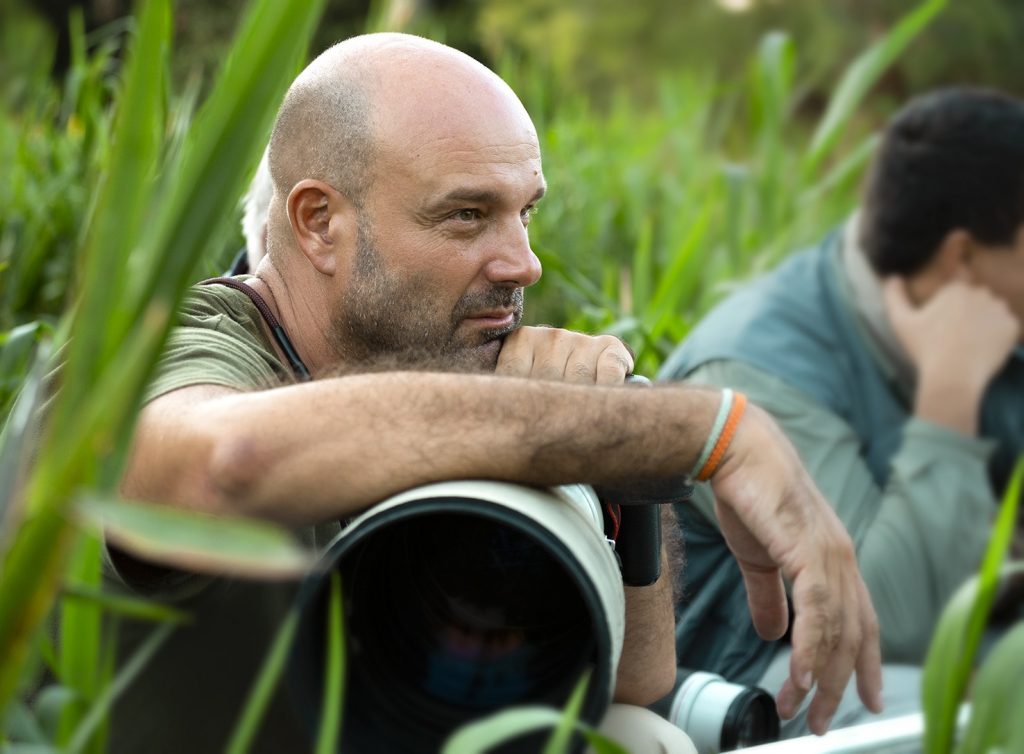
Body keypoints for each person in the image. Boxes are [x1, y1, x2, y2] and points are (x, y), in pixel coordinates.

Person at [111, 33, 881, 753]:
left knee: (642, 739)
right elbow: (225, 462)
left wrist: (606, 452)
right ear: (320, 223)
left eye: (525, 212)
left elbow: (634, 681)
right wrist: (691, 430)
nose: (524, 263)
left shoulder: (432, 356)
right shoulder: (159, 350)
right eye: (467, 215)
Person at [659, 86, 1024, 737]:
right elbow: (890, 626)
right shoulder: (754, 374)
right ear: (962, 258)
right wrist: (950, 398)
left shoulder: (995, 306)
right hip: (772, 683)